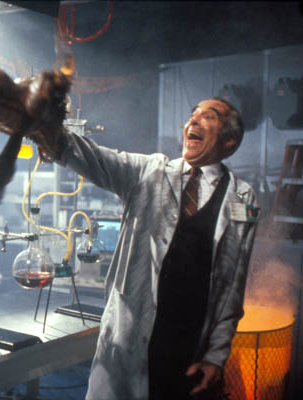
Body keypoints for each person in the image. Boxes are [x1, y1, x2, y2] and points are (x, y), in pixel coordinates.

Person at [36, 97, 259, 399]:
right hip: (130, 340)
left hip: (189, 350)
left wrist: (216, 356)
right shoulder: (149, 172)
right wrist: (45, 127)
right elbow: (92, 157)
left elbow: (232, 288)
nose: (193, 121)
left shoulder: (243, 198)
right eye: (192, 115)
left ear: (229, 140)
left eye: (208, 116)